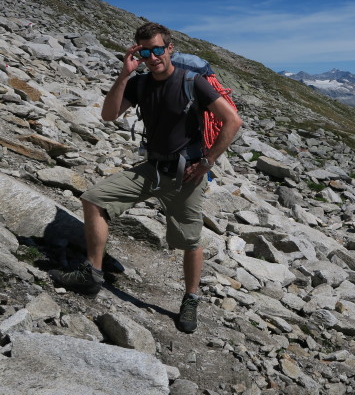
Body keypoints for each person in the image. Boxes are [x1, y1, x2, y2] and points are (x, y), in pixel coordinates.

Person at [50, 22, 242, 333]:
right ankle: (93, 275)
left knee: (190, 241)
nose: (153, 57)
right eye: (145, 52)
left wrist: (206, 163)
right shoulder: (139, 83)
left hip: (187, 173)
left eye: (157, 50)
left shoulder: (192, 81)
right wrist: (125, 75)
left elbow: (233, 120)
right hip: (152, 168)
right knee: (94, 199)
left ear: (170, 48)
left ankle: (191, 299)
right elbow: (109, 115)